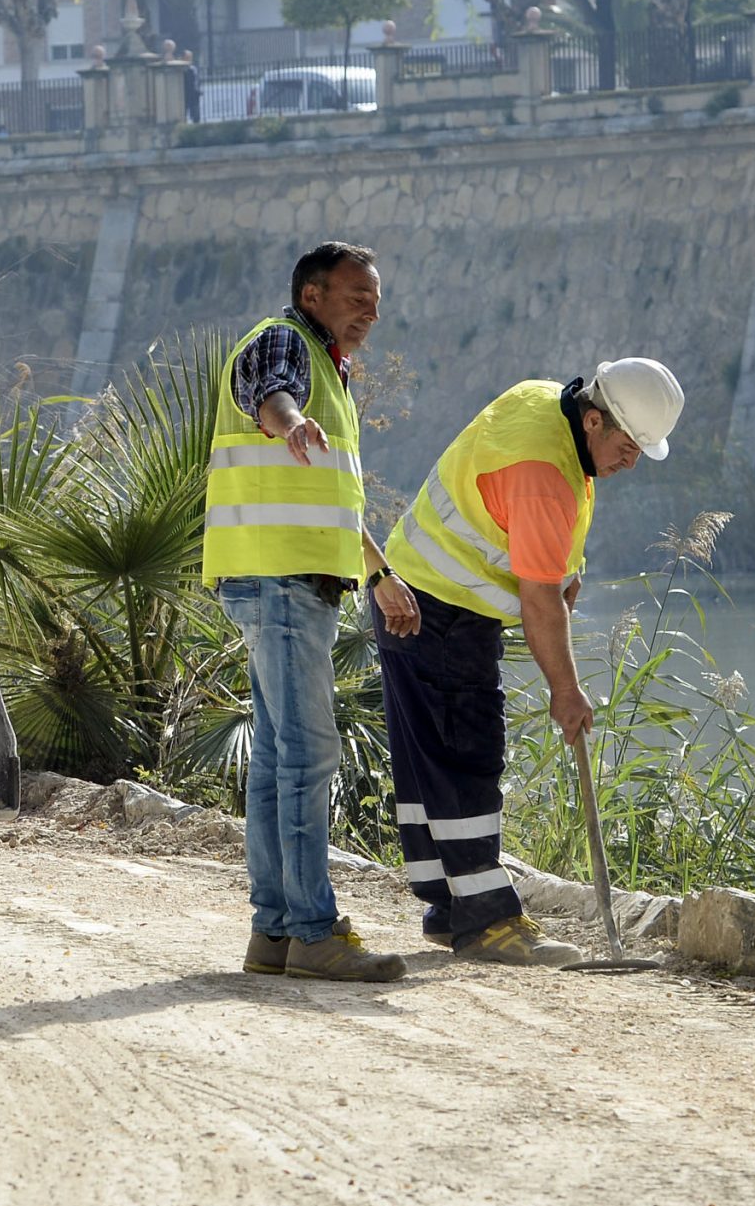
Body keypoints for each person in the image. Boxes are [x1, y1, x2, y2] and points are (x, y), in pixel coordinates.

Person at [377, 357, 686, 966]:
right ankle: (488, 923)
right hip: (441, 608)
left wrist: (566, 568)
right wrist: (565, 691)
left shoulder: (546, 402)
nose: (631, 462)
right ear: (593, 419)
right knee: (467, 753)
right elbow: (539, 598)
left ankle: (450, 906)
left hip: (416, 591)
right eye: (627, 446)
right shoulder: (544, 469)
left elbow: (534, 534)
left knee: (430, 760)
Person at [208, 241, 422, 985]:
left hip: (282, 580)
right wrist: (288, 421)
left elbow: (330, 497)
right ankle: (312, 929)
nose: (370, 309)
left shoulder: (328, 371)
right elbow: (270, 394)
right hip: (283, 582)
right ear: (310, 294)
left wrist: (380, 572)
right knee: (306, 755)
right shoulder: (284, 344)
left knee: (276, 758)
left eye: (376, 298)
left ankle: (274, 932)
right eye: (354, 295)